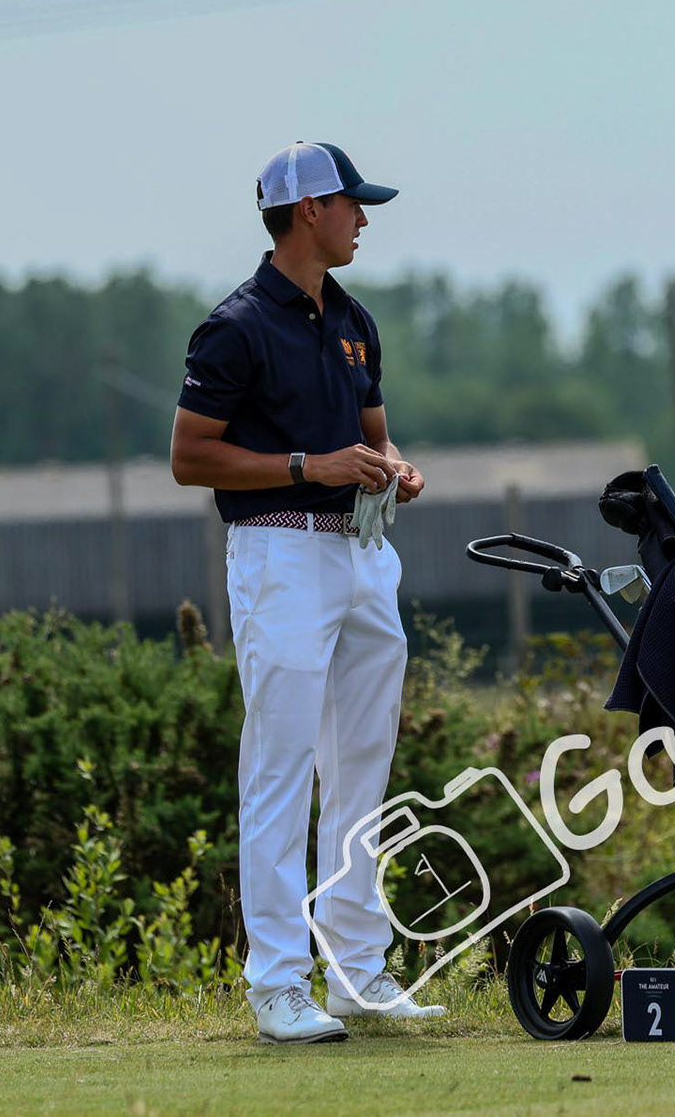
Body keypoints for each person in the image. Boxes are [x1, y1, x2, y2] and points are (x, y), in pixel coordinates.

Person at [170, 141, 444, 1044]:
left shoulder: (354, 317)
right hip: (279, 554)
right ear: (307, 212)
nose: (364, 218)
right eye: (352, 204)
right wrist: (306, 465)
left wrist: (397, 469)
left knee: (361, 767)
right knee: (281, 769)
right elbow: (189, 457)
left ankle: (359, 971)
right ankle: (280, 984)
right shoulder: (235, 326)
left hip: (362, 556)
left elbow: (377, 434)